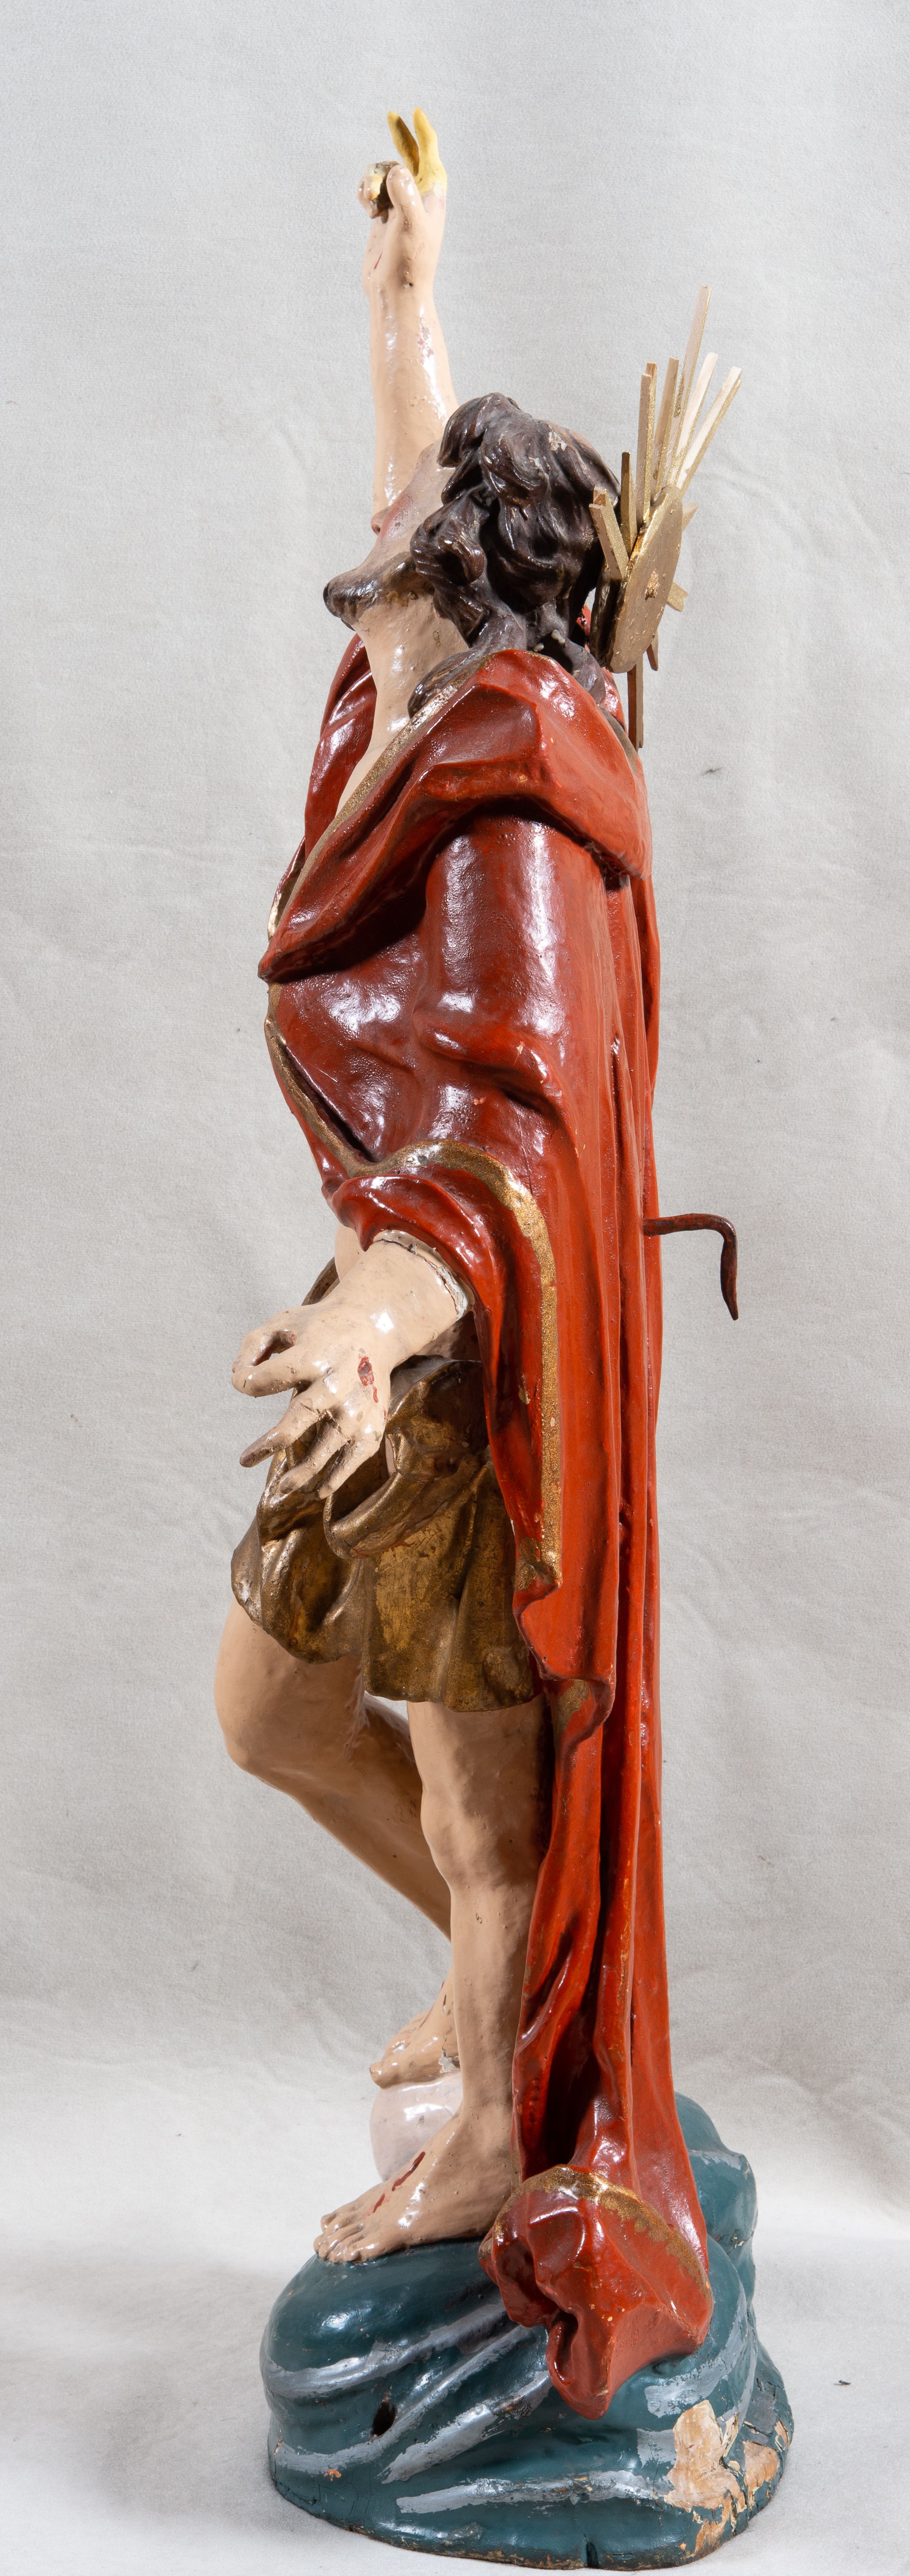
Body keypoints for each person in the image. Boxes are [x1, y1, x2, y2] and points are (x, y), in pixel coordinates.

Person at [215, 116, 712, 2418]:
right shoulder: (422, 708)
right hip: (378, 1341)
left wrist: (373, 1325)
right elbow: (431, 475)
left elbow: (508, 1143)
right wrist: (406, 300)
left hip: (464, 1384)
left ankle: (510, 2127)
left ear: (462, 582)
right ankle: (535, 2019)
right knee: (274, 1719)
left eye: (405, 541)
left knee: (486, 1814)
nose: (371, 551)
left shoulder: (517, 796)